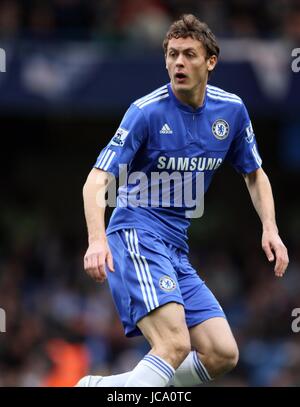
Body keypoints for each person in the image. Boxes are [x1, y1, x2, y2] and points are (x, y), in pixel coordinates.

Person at [77, 14, 289, 387]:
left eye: (189, 54)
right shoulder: (146, 111)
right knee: (173, 344)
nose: (179, 62)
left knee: (223, 353)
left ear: (210, 62)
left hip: (176, 246)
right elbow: (98, 178)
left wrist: (270, 227)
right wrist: (96, 239)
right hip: (135, 234)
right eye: (172, 54)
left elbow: (254, 173)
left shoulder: (232, 111)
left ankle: (105, 388)